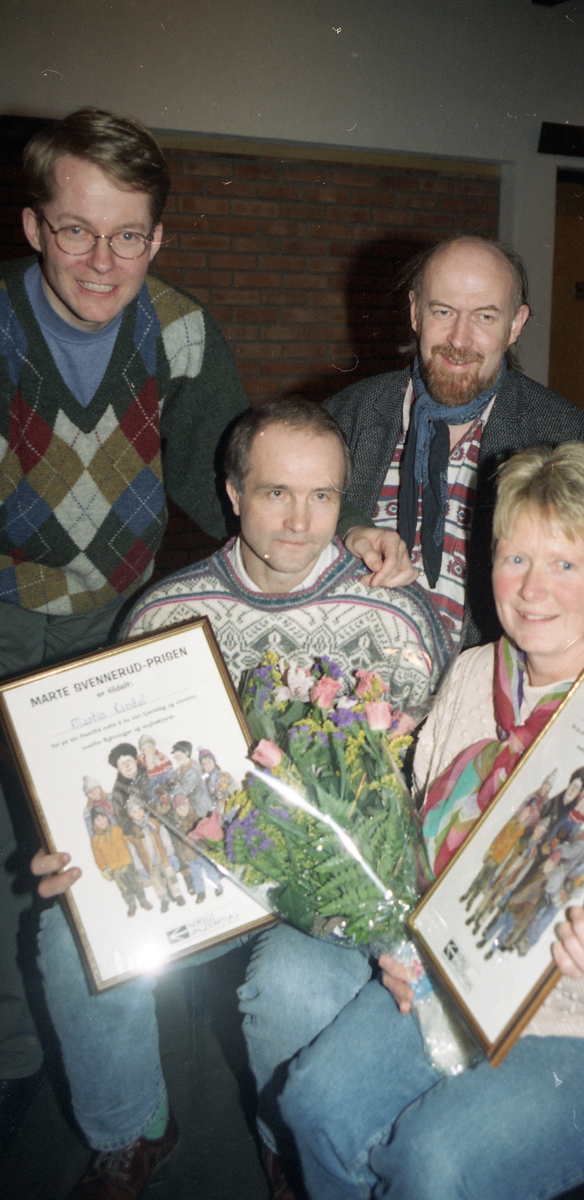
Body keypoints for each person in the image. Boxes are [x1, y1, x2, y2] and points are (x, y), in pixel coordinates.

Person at [239, 442, 584, 1200]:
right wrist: (409, 936)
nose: (533, 591)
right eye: (513, 559)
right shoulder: (474, 676)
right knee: (314, 1105)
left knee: (434, 1162)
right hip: (466, 982)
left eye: (565, 564)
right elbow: (416, 845)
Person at [30, 398, 451, 1200]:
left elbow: (431, 778)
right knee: (71, 933)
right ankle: (131, 1132)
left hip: (336, 882)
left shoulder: (395, 617)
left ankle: (280, 1139)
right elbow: (121, 775)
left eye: (322, 496)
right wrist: (78, 841)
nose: (299, 521)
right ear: (230, 492)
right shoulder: (166, 614)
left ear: (345, 499)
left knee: (296, 984)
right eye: (274, 493)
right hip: (206, 865)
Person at [0, 106, 249, 1144]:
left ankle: (117, 1074)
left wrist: (324, 532)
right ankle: (23, 1065)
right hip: (9, 611)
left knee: (106, 847)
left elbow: (220, 472)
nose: (101, 261)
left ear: (158, 238)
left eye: (128, 236)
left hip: (125, 617)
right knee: (16, 849)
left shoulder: (181, 330)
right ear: (31, 226)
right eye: (74, 230)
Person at [327, 233, 584, 647]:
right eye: (444, 311)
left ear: (515, 324)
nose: (459, 339)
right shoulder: (348, 415)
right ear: (415, 312)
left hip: (479, 692)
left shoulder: (557, 432)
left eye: (485, 317)